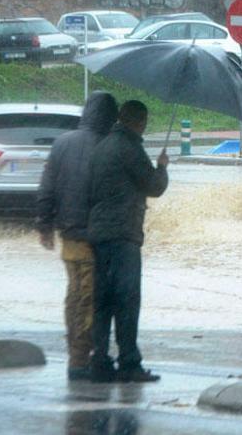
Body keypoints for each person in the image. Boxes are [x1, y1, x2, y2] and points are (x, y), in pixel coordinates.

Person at [36, 91, 119, 381]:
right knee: (89, 301)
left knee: (74, 297)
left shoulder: (62, 143)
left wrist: (44, 225)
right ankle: (81, 360)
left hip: (68, 235)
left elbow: (46, 188)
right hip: (95, 238)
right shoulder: (109, 146)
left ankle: (79, 353)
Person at [87, 100, 169, 383]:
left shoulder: (103, 146)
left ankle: (98, 359)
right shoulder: (130, 148)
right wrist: (162, 167)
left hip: (98, 235)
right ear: (140, 121)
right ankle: (129, 363)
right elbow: (154, 187)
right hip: (123, 236)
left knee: (102, 301)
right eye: (144, 122)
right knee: (127, 300)